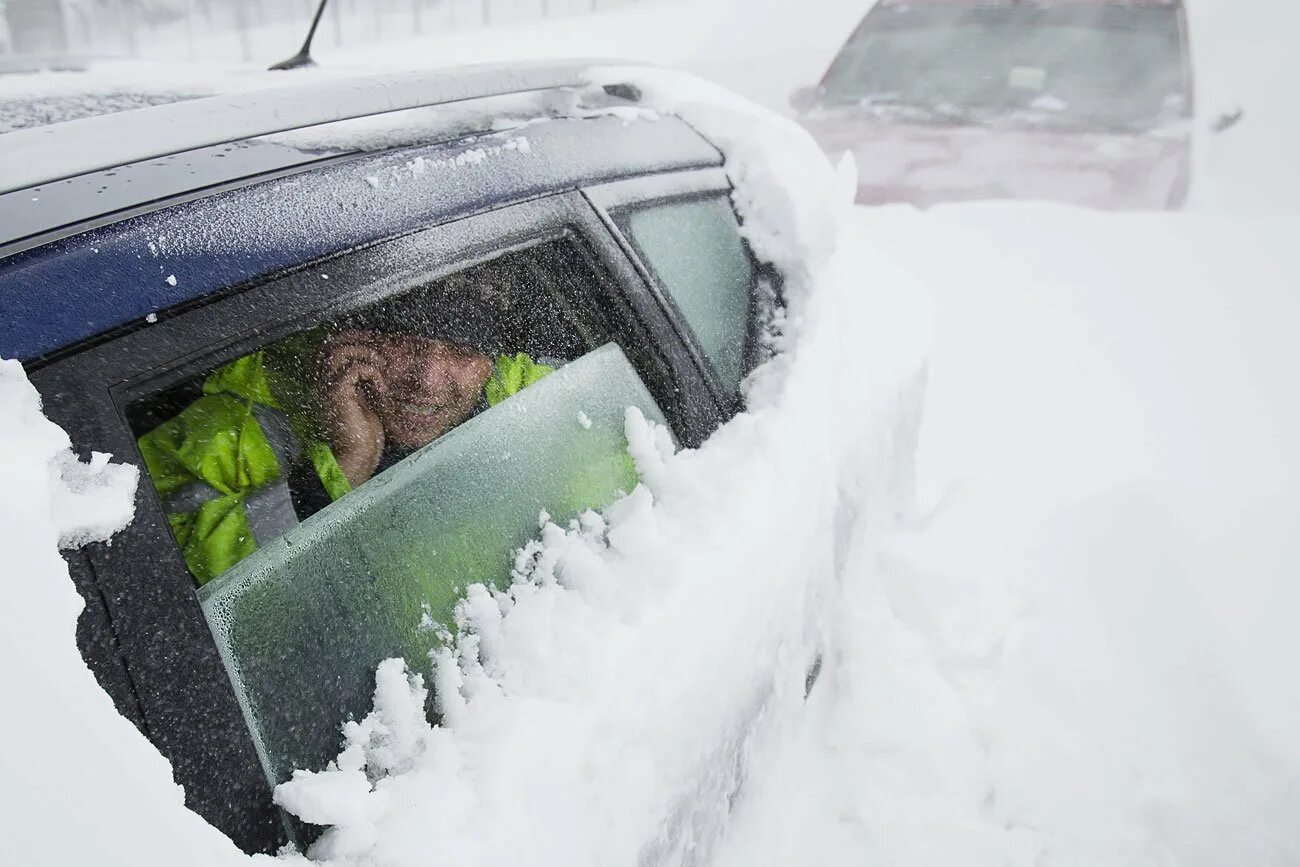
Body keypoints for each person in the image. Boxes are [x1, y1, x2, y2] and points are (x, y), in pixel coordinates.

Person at [137, 288, 553, 585]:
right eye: (403, 342)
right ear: (349, 339)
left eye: (461, 350)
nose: (426, 381)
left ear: (490, 362)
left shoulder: (545, 403)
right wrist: (342, 467)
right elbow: (167, 594)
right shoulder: (222, 438)